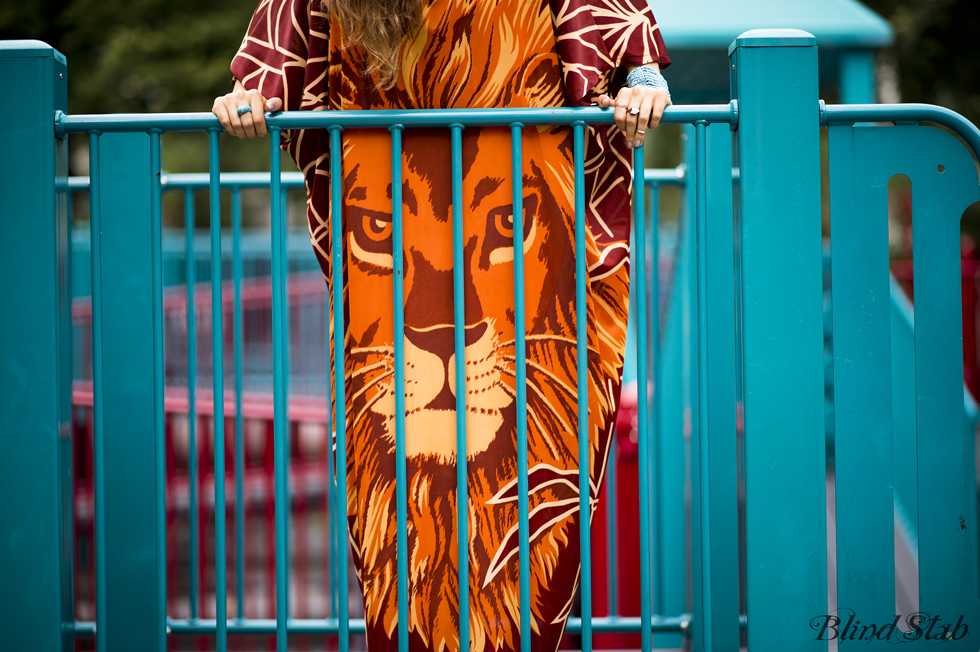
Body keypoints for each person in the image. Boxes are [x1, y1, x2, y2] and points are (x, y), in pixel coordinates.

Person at [214, 1, 670, 650]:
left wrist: (639, 74)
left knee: (542, 459)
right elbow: (280, 48)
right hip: (382, 192)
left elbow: (608, 26)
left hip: (528, 206)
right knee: (391, 468)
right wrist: (253, 92)